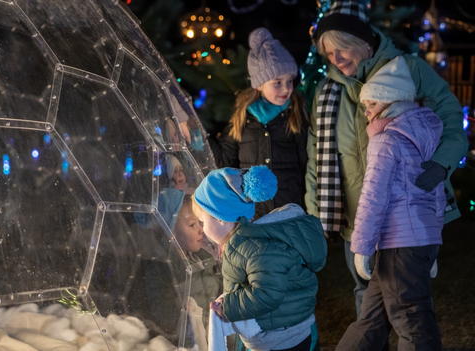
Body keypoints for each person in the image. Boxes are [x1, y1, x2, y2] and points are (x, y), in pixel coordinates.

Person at [306, 0, 467, 321]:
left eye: (341, 49)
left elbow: (450, 118)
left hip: (407, 218)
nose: (335, 60)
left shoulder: (409, 71)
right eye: (328, 54)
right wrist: (315, 214)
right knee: (367, 302)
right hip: (358, 218)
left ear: (363, 42)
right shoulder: (326, 90)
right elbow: (316, 154)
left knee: (411, 302)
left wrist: (441, 163)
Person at [335, 56, 445, 350]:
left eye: (371, 105)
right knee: (372, 320)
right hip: (419, 242)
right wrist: (434, 238)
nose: (367, 112)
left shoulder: (386, 140)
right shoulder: (426, 135)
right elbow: (437, 188)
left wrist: (361, 247)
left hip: (400, 245)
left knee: (413, 323)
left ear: (389, 101)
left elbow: (373, 196)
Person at [192, 165, 327, 351]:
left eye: (202, 221)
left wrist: (229, 307)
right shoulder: (246, 243)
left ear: (220, 218)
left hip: (282, 339)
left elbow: (268, 293)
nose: (202, 229)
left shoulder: (254, 248)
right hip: (279, 333)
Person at [209, 27, 309, 220]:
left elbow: (307, 164)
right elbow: (223, 160)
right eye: (277, 82)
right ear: (260, 84)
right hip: (253, 213)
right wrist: (196, 134)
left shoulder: (294, 116)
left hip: (288, 210)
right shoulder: (243, 119)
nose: (286, 89)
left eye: (289, 81)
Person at [145, 188, 221, 347]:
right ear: (170, 231)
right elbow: (159, 307)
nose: (201, 229)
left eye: (200, 222)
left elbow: (217, 286)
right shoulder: (160, 266)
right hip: (183, 341)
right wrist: (182, 312)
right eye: (192, 224)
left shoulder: (204, 257)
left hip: (211, 333)